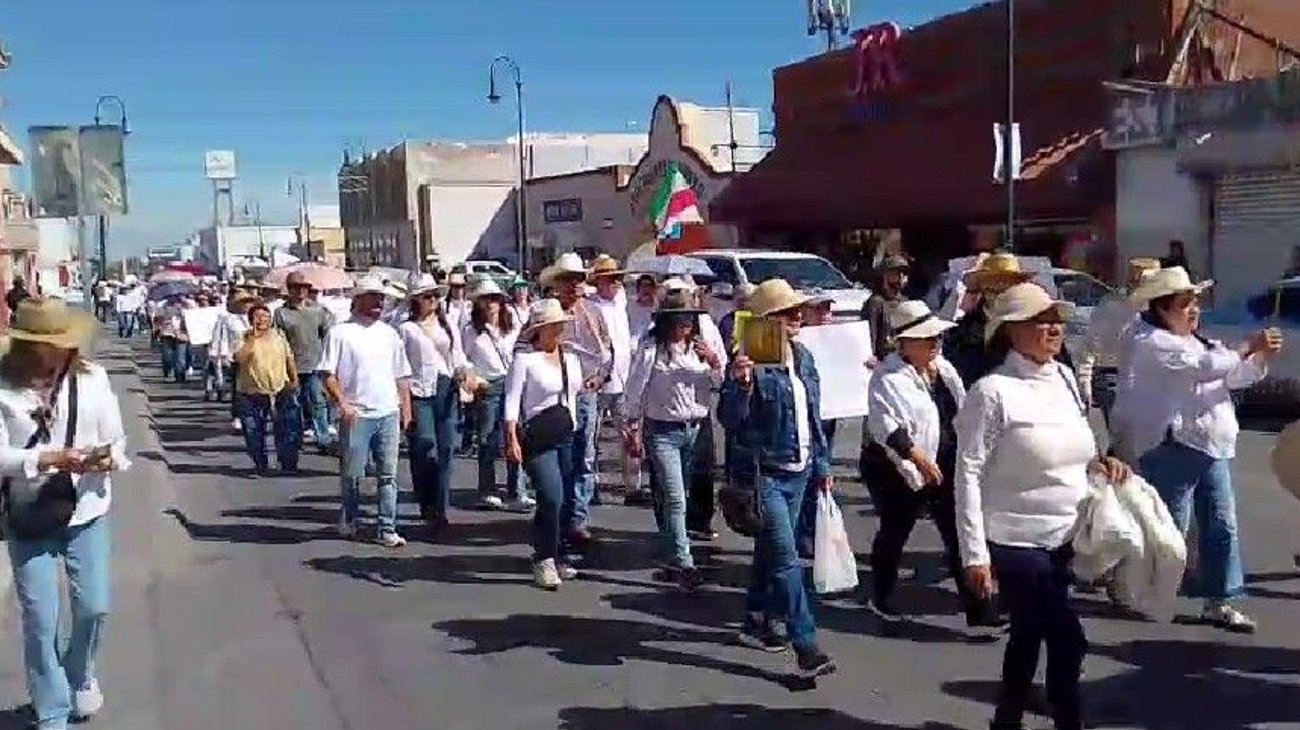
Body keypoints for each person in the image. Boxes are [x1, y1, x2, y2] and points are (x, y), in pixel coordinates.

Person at [954, 281, 1130, 730]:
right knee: (1069, 639)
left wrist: (1101, 464)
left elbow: (1075, 449)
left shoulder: (1066, 379)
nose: (1053, 327)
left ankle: (1006, 718)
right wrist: (974, 554)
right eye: (1040, 320)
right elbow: (968, 473)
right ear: (1012, 331)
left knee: (1028, 636)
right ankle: (1068, 720)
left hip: (1065, 537)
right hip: (1013, 539)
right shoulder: (991, 392)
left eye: (1056, 319)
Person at [1121, 267, 1281, 633]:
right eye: (1184, 303)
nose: (1193, 310)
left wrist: (1258, 357)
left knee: (1222, 526)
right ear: (1162, 308)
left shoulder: (1200, 342)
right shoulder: (1152, 342)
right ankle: (1144, 589)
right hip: (1173, 445)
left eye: (1194, 302)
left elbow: (1233, 376)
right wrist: (1247, 347)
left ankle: (1220, 600)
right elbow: (1208, 369)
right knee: (1169, 530)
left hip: (1213, 446)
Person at [0, 298, 130, 730]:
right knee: (40, 620)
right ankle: (52, 712)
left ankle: (79, 673)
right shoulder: (4, 386)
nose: (59, 350)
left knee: (94, 606)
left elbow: (114, 437)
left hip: (87, 507)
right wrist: (50, 459)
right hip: (29, 512)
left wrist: (109, 458)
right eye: (48, 342)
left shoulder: (92, 379)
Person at [718, 278, 836, 679]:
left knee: (770, 552)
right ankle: (806, 643)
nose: (797, 316)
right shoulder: (749, 360)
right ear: (766, 320)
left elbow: (814, 417)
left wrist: (821, 466)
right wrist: (739, 385)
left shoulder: (803, 358)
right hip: (763, 474)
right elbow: (730, 420)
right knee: (786, 558)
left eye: (797, 310)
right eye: (787, 312)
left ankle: (755, 619)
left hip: (799, 470)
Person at [864, 300, 1003, 628]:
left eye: (936, 338)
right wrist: (918, 458)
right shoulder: (887, 378)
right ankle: (881, 595)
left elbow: (963, 407)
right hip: (901, 469)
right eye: (927, 339)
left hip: (948, 461)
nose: (935, 343)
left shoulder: (944, 369)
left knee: (958, 536)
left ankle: (979, 611)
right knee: (895, 533)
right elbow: (886, 427)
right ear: (905, 343)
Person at [623, 289, 723, 590]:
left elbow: (720, 383)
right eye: (681, 320)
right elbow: (635, 390)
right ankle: (683, 560)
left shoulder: (700, 349)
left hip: (695, 427)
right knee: (676, 497)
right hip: (663, 430)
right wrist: (632, 428)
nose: (687, 325)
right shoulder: (651, 349)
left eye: (691, 319)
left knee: (678, 496)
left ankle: (671, 551)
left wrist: (716, 362)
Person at [317, 275, 413, 548]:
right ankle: (350, 517)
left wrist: (406, 411)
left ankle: (387, 527)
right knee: (353, 473)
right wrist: (343, 404)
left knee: (388, 475)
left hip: (388, 412)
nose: (379, 302)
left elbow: (402, 375)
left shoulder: (389, 334)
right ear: (358, 299)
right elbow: (327, 374)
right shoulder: (340, 333)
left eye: (382, 297)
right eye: (373, 296)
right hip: (357, 413)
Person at [503, 299, 583, 590]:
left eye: (561, 325)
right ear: (539, 329)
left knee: (564, 499)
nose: (559, 331)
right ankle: (544, 558)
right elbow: (511, 404)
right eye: (554, 326)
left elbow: (574, 395)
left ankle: (557, 551)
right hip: (538, 437)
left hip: (565, 433)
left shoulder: (569, 358)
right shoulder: (524, 360)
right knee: (550, 496)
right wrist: (511, 439)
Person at [539, 253, 612, 550]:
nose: (574, 286)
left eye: (578, 280)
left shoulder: (593, 313)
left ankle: (577, 518)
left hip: (584, 392)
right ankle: (560, 514)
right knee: (561, 458)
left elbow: (608, 350)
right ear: (557, 284)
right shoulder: (546, 313)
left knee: (584, 455)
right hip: (555, 396)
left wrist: (600, 377)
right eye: (568, 280)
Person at [399, 274, 468, 528]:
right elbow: (400, 364)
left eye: (435, 295)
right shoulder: (406, 328)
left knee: (447, 449)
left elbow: (458, 354)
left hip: (446, 387)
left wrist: (463, 372)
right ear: (416, 300)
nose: (433, 300)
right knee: (425, 447)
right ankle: (426, 500)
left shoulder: (447, 322)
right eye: (427, 296)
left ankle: (440, 506)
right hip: (419, 390)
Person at [461, 278, 531, 511]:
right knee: (487, 439)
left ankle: (517, 489)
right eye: (485, 299)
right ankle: (488, 490)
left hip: (512, 382)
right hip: (488, 385)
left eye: (494, 299)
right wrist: (472, 379)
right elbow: (463, 359)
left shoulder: (512, 325)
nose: (490, 304)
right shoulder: (472, 331)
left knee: (516, 436)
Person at [1076, 258, 1161, 429]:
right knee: (1126, 438)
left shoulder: (1163, 308)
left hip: (1155, 377)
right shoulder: (1112, 305)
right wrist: (1084, 378)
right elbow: (1091, 343)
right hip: (1114, 376)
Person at [586, 255, 640, 507]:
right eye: (610, 279)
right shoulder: (590, 306)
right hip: (599, 379)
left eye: (617, 279)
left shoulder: (621, 303)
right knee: (592, 436)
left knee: (629, 435)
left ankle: (633, 486)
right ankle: (592, 483)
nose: (615, 283)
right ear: (599, 282)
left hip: (624, 378)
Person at [232, 303, 300, 474]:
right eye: (257, 317)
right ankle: (260, 464)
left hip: (279, 390)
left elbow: (289, 359)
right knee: (253, 431)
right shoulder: (242, 337)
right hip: (250, 393)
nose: (262, 320)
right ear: (250, 320)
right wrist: (253, 338)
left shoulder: (279, 336)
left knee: (287, 428)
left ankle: (287, 463)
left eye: (266, 317)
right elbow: (238, 358)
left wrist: (294, 380)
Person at [274, 272, 336, 450]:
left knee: (317, 402)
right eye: (295, 287)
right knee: (293, 405)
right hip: (291, 366)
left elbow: (329, 334)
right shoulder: (281, 313)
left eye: (303, 287)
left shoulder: (318, 310)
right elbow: (278, 340)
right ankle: (295, 439)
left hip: (315, 365)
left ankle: (323, 439)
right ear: (289, 290)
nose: (300, 291)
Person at [859, 254, 910, 361]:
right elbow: (870, 333)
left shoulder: (906, 302)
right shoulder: (876, 303)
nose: (901, 276)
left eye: (904, 273)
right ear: (885, 275)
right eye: (896, 272)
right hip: (884, 360)